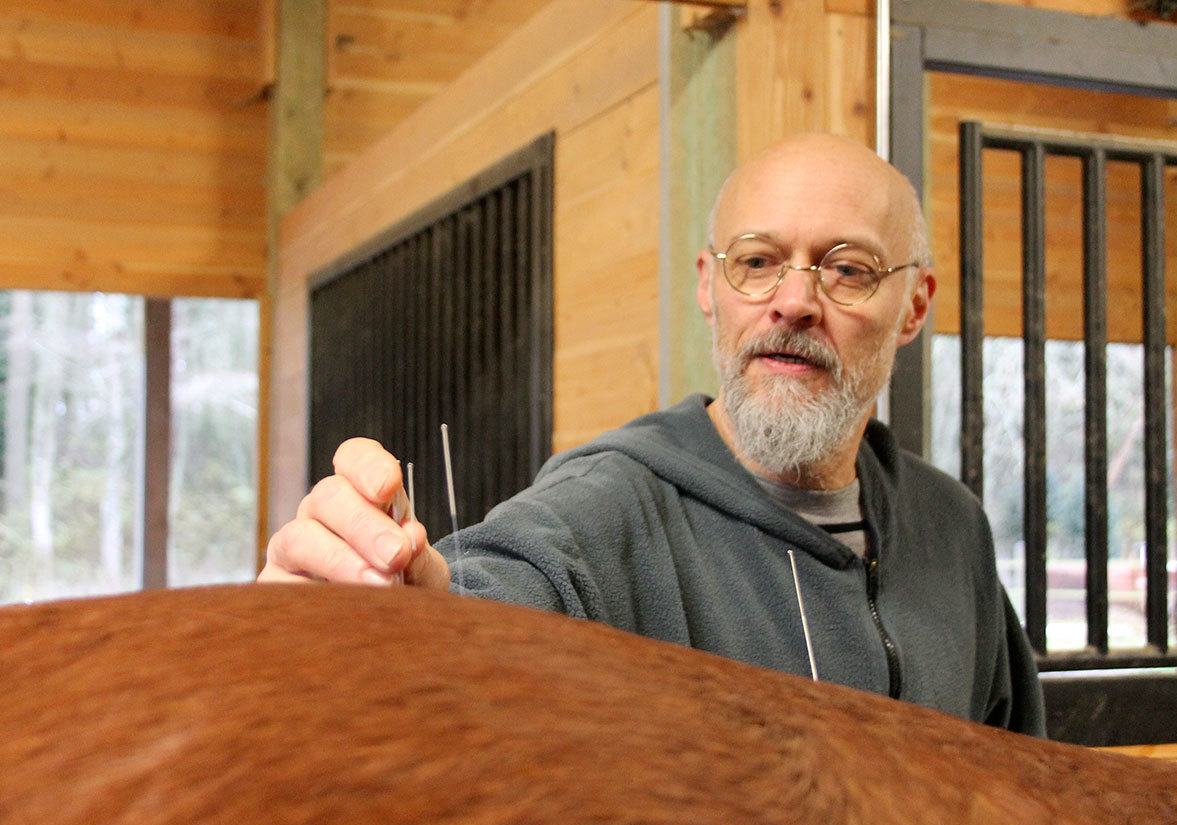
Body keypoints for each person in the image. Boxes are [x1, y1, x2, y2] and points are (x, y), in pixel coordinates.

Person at [259, 133, 1045, 736]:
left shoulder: (953, 528)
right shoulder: (603, 513)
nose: (794, 301)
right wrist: (392, 613)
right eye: (759, 260)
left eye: (847, 269)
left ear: (914, 305)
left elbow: (1017, 785)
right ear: (711, 286)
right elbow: (481, 603)